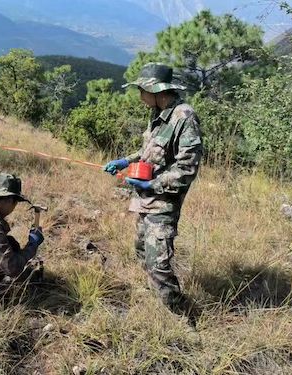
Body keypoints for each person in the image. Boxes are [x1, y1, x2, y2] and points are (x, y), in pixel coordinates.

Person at [104, 63, 203, 309]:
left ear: (157, 91)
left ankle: (179, 314)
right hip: (146, 199)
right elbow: (150, 150)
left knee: (158, 263)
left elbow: (187, 169)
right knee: (141, 250)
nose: (140, 96)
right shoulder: (158, 114)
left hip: (163, 202)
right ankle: (156, 300)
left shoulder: (184, 117)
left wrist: (154, 183)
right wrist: (126, 161)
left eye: (142, 90)